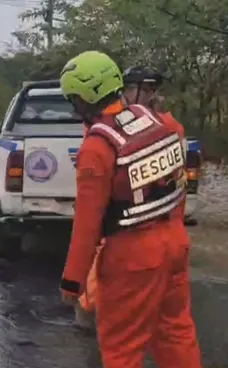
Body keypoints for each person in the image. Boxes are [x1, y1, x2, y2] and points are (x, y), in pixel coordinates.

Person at [58, 50, 219, 368]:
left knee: (121, 347)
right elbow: (178, 183)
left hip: (132, 256)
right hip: (174, 243)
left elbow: (88, 223)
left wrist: (72, 280)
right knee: (178, 334)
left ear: (82, 98)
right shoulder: (162, 123)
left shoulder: (98, 146)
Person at [74, 66, 185, 328]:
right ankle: (92, 313)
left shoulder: (165, 126)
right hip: (133, 226)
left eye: (151, 90)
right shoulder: (117, 123)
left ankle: (96, 314)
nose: (147, 95)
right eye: (143, 89)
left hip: (147, 228)